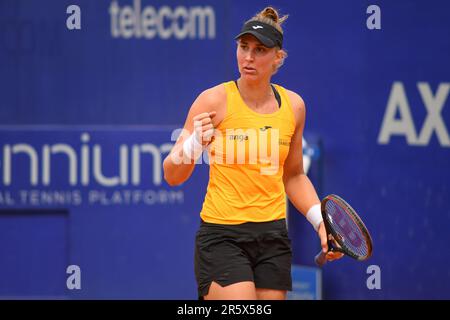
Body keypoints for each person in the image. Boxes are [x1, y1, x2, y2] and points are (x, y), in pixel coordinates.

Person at [163, 7, 343, 300]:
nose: (248, 57)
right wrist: (196, 142)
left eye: (260, 50)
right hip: (222, 236)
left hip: (272, 237)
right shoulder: (213, 101)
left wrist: (320, 222)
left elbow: (294, 175)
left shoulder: (294, 106)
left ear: (277, 58)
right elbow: (171, 174)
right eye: (244, 47)